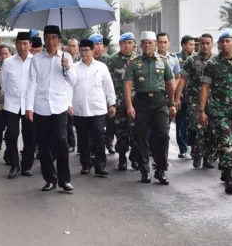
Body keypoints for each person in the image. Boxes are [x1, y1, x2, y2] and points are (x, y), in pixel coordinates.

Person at [26, 25, 76, 192]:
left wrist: (67, 67)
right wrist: (29, 107)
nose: (51, 41)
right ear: (44, 40)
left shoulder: (66, 57)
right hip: (41, 107)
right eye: (48, 38)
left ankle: (64, 180)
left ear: (59, 40)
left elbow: (73, 81)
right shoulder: (37, 59)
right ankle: (50, 179)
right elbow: (31, 83)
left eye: (54, 38)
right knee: (44, 144)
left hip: (59, 105)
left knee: (62, 142)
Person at [200, 28, 232, 194]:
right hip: (219, 110)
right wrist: (202, 110)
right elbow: (205, 87)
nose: (225, 44)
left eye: (229, 41)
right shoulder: (212, 65)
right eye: (223, 41)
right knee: (225, 142)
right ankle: (229, 177)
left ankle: (226, 168)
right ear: (219, 44)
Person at [125, 31, 176, 185]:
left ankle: (160, 171)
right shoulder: (133, 62)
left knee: (163, 135)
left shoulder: (163, 61)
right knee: (141, 136)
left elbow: (170, 83)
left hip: (160, 102)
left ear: (155, 44)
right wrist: (129, 106)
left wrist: (172, 103)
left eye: (150, 43)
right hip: (141, 102)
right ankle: (144, 171)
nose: (147, 45)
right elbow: (127, 85)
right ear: (140, 45)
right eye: (144, 43)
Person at [71, 39, 116, 177]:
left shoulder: (101, 67)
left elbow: (108, 86)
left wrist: (112, 103)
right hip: (80, 109)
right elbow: (68, 87)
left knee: (99, 138)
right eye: (82, 50)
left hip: (98, 108)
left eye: (87, 50)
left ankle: (100, 166)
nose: (84, 53)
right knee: (83, 139)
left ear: (92, 51)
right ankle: (85, 164)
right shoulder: (74, 68)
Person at [176, 33, 215, 169]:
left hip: (213, 100)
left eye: (207, 43)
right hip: (194, 99)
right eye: (202, 43)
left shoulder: (217, 60)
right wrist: (177, 97)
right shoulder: (192, 60)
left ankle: (208, 156)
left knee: (211, 128)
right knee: (197, 126)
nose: (205, 46)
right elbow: (183, 79)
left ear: (212, 44)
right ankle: (197, 154)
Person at [1, 32, 36, 179]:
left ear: (30, 45)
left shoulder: (35, 61)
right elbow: (4, 84)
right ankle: (14, 165)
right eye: (20, 43)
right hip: (12, 104)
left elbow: (37, 84)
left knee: (30, 137)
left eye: (25, 43)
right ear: (16, 45)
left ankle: (26, 166)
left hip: (30, 105)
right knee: (12, 135)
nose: (22, 46)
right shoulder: (8, 62)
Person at [108, 32, 139, 171]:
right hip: (119, 103)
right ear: (120, 44)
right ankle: (122, 158)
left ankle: (134, 157)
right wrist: (111, 103)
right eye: (124, 43)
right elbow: (107, 83)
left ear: (134, 44)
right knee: (121, 132)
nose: (127, 46)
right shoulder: (112, 60)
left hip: (136, 102)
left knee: (137, 131)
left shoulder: (139, 59)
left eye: (130, 43)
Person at [156, 32, 181, 160]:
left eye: (165, 42)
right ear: (156, 43)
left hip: (168, 98)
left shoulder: (173, 59)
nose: (162, 45)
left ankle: (161, 158)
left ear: (169, 43)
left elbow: (177, 77)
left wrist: (173, 88)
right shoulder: (151, 58)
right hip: (154, 97)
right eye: (160, 42)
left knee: (164, 129)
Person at [175, 35, 195, 158]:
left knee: (192, 123)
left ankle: (193, 147)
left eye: (193, 45)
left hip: (193, 96)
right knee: (181, 122)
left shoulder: (196, 59)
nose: (192, 47)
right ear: (183, 45)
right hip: (181, 96)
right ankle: (183, 149)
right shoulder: (176, 59)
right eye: (190, 44)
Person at [65, 37, 80, 152]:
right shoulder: (63, 59)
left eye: (74, 46)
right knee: (68, 121)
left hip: (79, 94)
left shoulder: (81, 60)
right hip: (67, 94)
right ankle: (71, 143)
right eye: (69, 45)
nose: (71, 48)